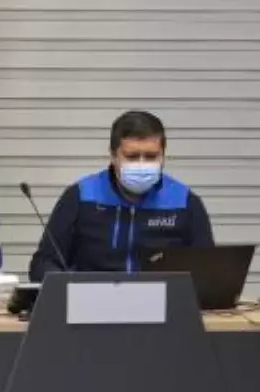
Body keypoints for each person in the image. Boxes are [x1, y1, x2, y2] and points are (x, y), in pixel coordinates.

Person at [29, 110, 214, 281]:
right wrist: (67, 285)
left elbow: (207, 271)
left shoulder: (185, 202)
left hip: (163, 301)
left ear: (163, 156)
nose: (142, 164)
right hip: (93, 299)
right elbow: (43, 263)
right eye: (132, 157)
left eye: (151, 157)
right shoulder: (81, 197)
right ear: (113, 156)